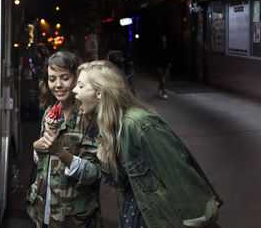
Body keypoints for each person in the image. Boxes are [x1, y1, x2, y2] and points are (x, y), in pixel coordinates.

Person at [72, 60, 222, 228]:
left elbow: (183, 181)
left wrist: (198, 218)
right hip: (137, 216)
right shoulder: (109, 127)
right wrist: (107, 167)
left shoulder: (139, 124)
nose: (73, 90)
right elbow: (128, 184)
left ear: (99, 93)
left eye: (80, 86)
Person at [26, 51, 102, 228]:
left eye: (65, 78)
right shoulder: (50, 113)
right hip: (43, 211)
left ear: (76, 80)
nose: (58, 85)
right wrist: (36, 147)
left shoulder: (89, 118)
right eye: (52, 79)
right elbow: (43, 162)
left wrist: (60, 152)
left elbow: (94, 173)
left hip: (73, 217)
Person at [154, 34, 172, 99]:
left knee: (164, 79)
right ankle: (164, 92)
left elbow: (170, 55)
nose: (163, 40)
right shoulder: (158, 47)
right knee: (162, 78)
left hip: (166, 65)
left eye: (164, 38)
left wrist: (170, 63)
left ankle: (159, 89)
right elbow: (156, 56)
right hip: (159, 65)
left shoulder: (168, 47)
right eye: (162, 38)